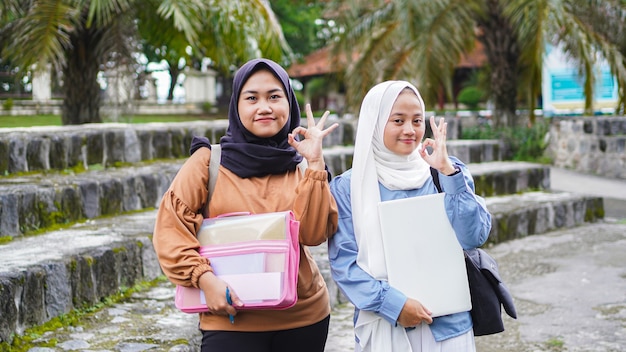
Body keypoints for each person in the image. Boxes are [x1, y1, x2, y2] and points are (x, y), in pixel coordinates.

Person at [153, 58, 339, 352]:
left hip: (303, 316)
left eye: (274, 97)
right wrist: (204, 279)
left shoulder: (302, 164)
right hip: (230, 316)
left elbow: (314, 235)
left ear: (289, 103)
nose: (264, 107)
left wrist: (316, 163)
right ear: (237, 106)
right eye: (251, 98)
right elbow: (170, 230)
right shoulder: (208, 162)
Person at [327, 80, 492, 352]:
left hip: (449, 326)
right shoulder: (350, 187)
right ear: (375, 122)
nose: (409, 130)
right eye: (398, 120)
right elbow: (344, 263)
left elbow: (474, 236)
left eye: (417, 120)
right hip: (386, 325)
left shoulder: (446, 171)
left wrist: (448, 173)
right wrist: (395, 305)